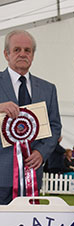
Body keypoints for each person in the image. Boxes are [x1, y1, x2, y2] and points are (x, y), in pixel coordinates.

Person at [0, 30, 61, 204]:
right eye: (17, 49)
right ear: (6, 54)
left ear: (33, 55)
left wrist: (41, 153)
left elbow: (55, 126)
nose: (22, 54)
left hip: (31, 175)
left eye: (27, 50)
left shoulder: (48, 89)